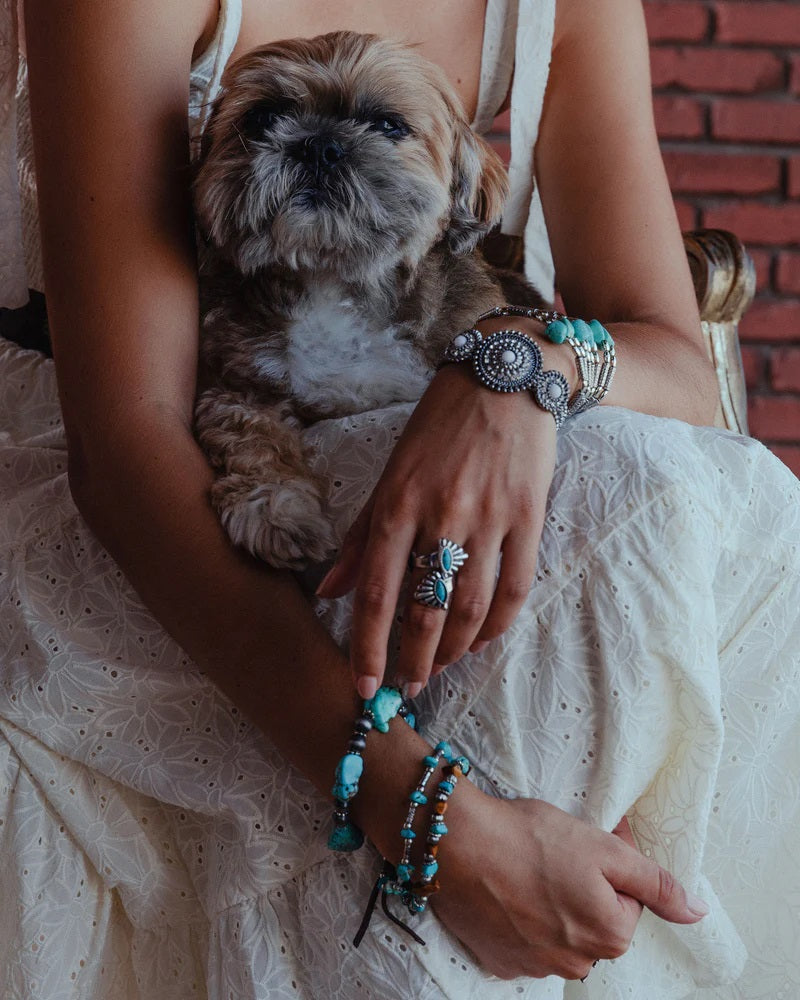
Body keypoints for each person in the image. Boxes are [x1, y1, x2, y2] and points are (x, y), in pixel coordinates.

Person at [0, 0, 798, 996]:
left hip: (419, 441)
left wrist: (511, 371)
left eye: (380, 127)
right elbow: (128, 451)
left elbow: (681, 378)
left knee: (674, 491)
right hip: (162, 507)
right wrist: (427, 814)